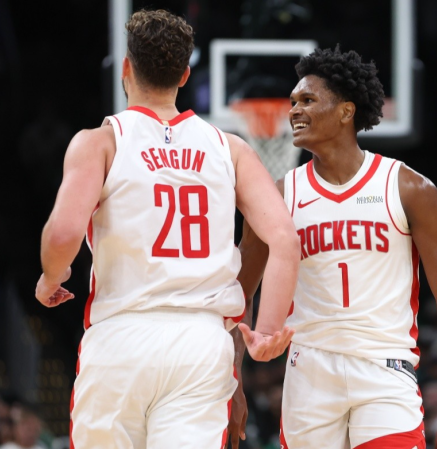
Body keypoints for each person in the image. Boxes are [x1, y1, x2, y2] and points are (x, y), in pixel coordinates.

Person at [34, 10, 299, 449]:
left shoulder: (100, 141)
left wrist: (51, 276)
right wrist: (268, 331)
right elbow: (284, 239)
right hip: (200, 343)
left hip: (121, 335)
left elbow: (63, 236)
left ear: (126, 68)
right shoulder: (229, 148)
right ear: (184, 75)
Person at [237, 46, 437, 449]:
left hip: (384, 370)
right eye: (293, 102)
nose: (294, 110)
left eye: (307, 100)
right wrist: (233, 383)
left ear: (346, 111)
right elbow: (240, 292)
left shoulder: (408, 188)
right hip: (309, 372)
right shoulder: (278, 195)